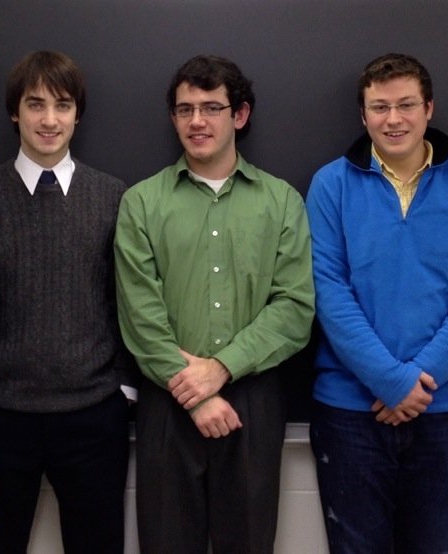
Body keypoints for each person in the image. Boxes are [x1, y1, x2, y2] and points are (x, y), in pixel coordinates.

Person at [305, 53, 448, 554]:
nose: (393, 119)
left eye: (406, 105)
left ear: (428, 108)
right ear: (363, 115)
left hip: (440, 408)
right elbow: (328, 291)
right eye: (380, 107)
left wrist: (417, 379)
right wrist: (391, 381)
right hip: (349, 413)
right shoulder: (330, 185)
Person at [114, 54, 314, 553]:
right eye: (185, 110)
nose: (197, 121)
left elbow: (293, 308)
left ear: (239, 115)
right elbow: (139, 313)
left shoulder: (281, 202)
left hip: (253, 401)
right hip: (168, 401)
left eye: (211, 108)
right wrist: (197, 393)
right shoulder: (142, 202)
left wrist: (221, 369)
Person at [0, 50, 134, 554]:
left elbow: (129, 299)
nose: (49, 119)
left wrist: (124, 391)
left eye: (62, 105)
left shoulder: (113, 196)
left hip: (92, 414)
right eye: (35, 104)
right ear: (14, 112)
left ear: (77, 115)